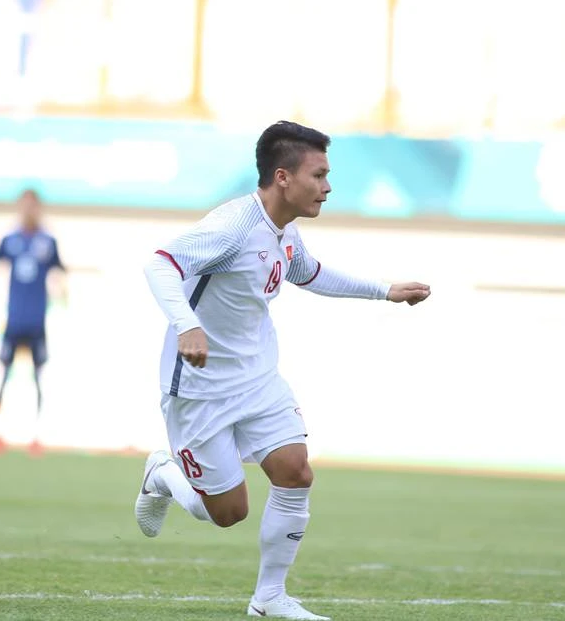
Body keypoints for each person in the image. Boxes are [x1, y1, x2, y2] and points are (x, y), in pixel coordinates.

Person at [135, 121, 431, 620]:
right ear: (283, 177)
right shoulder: (233, 227)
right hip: (201, 388)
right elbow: (160, 265)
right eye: (319, 175)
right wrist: (187, 325)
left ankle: (269, 598)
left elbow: (308, 272)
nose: (327, 186)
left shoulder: (284, 230)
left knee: (296, 472)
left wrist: (385, 291)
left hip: (257, 378)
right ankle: (163, 475)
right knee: (227, 513)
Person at [0, 189, 66, 454]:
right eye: (25, 205)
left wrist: (65, 300)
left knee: (38, 376)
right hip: (14, 320)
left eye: (33, 206)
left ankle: (36, 435)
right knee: (4, 374)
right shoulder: (10, 240)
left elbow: (59, 272)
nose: (29, 210)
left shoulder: (47, 241)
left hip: (37, 321)